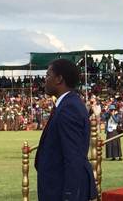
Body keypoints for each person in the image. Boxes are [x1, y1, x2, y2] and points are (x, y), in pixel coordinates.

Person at [35, 59, 97, 201]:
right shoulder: (67, 104)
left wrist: (69, 196)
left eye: (48, 75)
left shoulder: (69, 108)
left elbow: (73, 156)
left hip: (63, 188)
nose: (45, 80)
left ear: (59, 79)